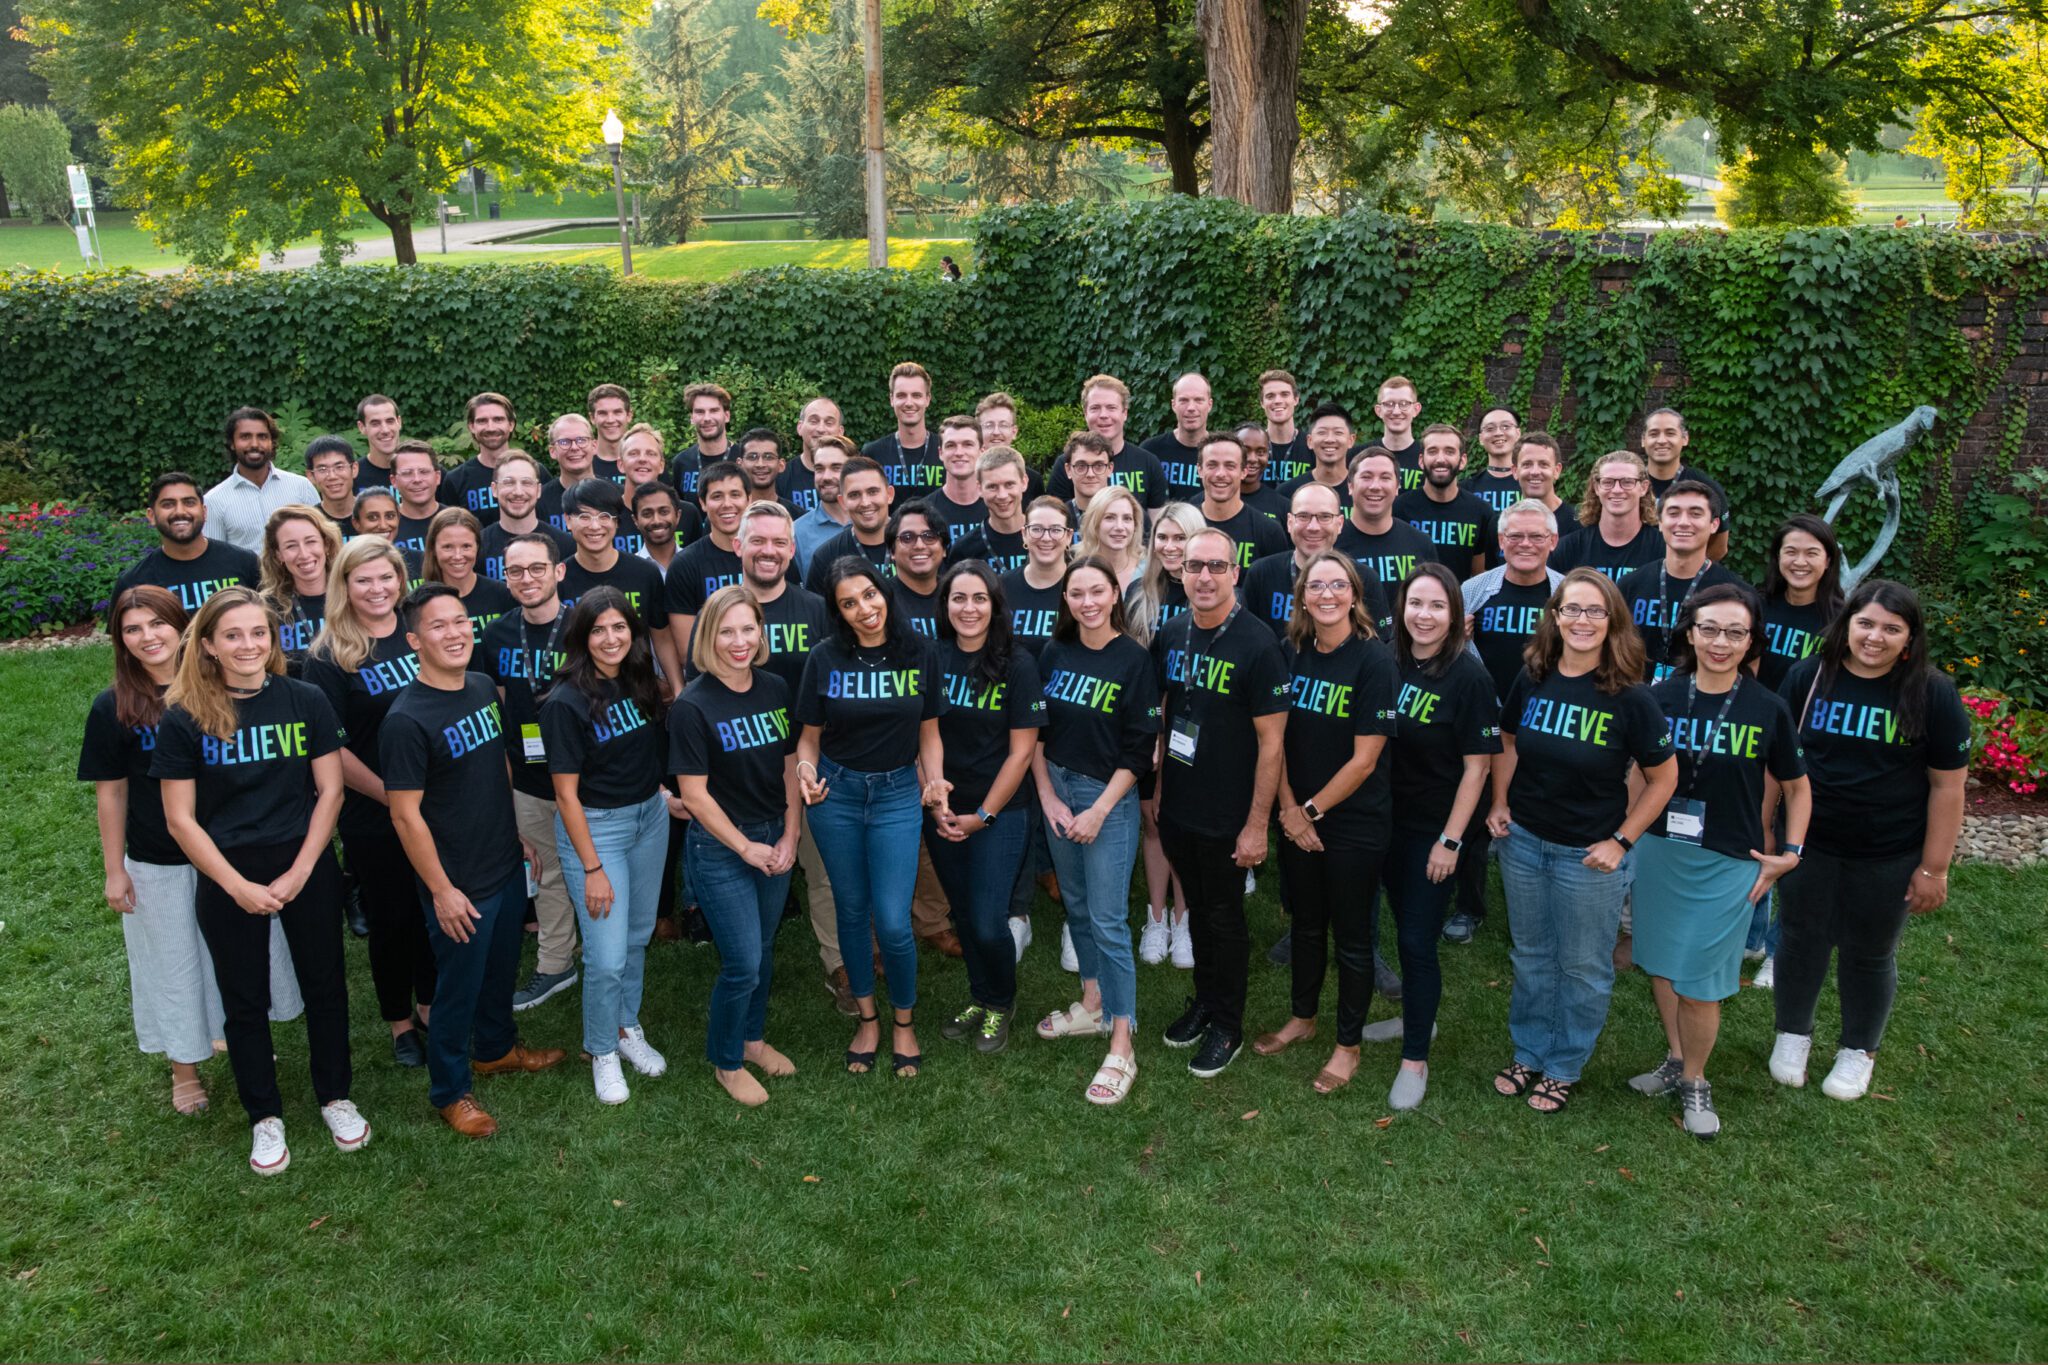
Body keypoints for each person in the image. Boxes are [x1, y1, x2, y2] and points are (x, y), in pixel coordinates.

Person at [152, 586, 362, 1175]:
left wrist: (301, 869)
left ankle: (335, 1096)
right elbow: (179, 820)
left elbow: (331, 792)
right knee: (243, 1001)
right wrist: (236, 886)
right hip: (227, 873)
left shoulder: (305, 698)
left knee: (326, 985)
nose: (248, 644)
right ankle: (263, 1116)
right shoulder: (185, 715)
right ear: (211, 646)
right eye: (234, 635)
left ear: (273, 640)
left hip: (307, 863)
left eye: (258, 633)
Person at [81, 586, 304, 1117]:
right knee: (175, 964)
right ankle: (185, 1067)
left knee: (235, 957)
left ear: (184, 629)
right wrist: (115, 870)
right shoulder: (114, 706)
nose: (146, 637)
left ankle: (239, 1037)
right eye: (131, 629)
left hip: (233, 853)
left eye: (156, 624)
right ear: (119, 640)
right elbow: (111, 791)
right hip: (161, 859)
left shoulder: (228, 688)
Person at [1769, 579, 1969, 1102]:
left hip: (1888, 850)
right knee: (1800, 937)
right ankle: (1793, 1034)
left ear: (1909, 638)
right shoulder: (1808, 677)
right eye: (1865, 623)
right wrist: (1767, 828)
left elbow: (1948, 786)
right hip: (1807, 843)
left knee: (1870, 951)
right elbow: (1777, 761)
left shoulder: (1932, 693)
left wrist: (1934, 868)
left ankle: (1859, 1050)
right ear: (1846, 624)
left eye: (1891, 628)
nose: (1874, 637)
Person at [1487, 568, 1677, 1115]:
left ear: (1613, 620)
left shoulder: (1632, 697)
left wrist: (1622, 840)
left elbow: (1663, 778)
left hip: (1588, 856)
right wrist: (1500, 803)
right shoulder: (1534, 675)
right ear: (1555, 616)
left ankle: (1564, 1064)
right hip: (1523, 841)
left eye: (1595, 611)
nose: (1582, 621)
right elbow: (1508, 738)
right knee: (1532, 955)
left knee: (1583, 966)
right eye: (1571, 609)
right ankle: (1528, 1051)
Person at [1627, 585, 1810, 1139]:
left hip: (1729, 859)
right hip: (1659, 852)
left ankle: (1697, 1080)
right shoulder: (1657, 697)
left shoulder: (1767, 707)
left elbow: (1799, 789)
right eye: (1709, 628)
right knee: (1661, 962)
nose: (1720, 642)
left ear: (1753, 641)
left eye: (1735, 632)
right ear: (1690, 632)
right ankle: (1677, 1058)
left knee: (1701, 980)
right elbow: (1638, 772)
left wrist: (1791, 854)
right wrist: (1627, 833)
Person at [382, 583, 564, 1138]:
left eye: (460, 621)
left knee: (498, 970)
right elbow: (405, 817)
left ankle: (497, 1050)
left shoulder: (483, 686)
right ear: (414, 640)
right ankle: (451, 1091)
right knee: (455, 992)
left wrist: (516, 834)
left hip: (504, 862)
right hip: (458, 880)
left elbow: (496, 768)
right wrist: (440, 890)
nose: (455, 633)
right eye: (438, 626)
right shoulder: (406, 720)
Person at [795, 558, 949, 1077]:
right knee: (852, 913)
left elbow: (929, 732)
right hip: (835, 795)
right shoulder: (824, 658)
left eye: (870, 594)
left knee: (893, 921)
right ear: (837, 612)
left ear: (884, 592)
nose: (865, 609)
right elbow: (809, 739)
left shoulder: (919, 652)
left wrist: (935, 781)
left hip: (896, 795)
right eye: (849, 603)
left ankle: (904, 1022)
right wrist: (805, 772)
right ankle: (867, 1017)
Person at [1255, 552, 1399, 1095]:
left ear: (1355, 595)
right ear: (1302, 596)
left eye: (1338, 585)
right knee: (1308, 924)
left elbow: (1365, 760)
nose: (1327, 594)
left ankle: (1348, 1044)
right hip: (1298, 818)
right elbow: (1278, 739)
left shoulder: (1374, 660)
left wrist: (1309, 812)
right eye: (1316, 586)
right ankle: (1302, 1016)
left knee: (1354, 938)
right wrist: (1289, 809)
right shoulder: (1291, 653)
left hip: (1354, 822)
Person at [1153, 527, 1291, 1079]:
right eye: (1193, 566)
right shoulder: (1173, 632)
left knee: (1225, 917)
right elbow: (1168, 717)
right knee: (1201, 918)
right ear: (1180, 573)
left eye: (1216, 566)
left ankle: (1228, 1024)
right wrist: (1161, 791)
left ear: (1235, 573)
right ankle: (1205, 1001)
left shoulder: (1259, 644)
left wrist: (1258, 824)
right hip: (1182, 803)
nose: (1204, 577)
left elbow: (1273, 743)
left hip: (1231, 812)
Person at [304, 536, 438, 1064]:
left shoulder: (418, 632)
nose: (377, 588)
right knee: (392, 917)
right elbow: (329, 748)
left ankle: (429, 1003)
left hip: (433, 800)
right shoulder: (328, 654)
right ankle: (400, 1022)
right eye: (363, 579)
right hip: (374, 807)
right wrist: (393, 797)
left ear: (400, 580)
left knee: (433, 904)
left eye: (386, 577)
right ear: (344, 585)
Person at [668, 585, 803, 1107]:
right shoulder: (693, 705)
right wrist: (746, 847)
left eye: (749, 628)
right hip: (723, 847)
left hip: (775, 834)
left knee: (764, 949)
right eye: (727, 631)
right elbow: (694, 797)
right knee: (743, 961)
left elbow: (790, 765)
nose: (739, 641)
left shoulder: (773, 688)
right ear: (708, 636)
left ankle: (752, 1040)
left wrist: (790, 833)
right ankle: (726, 1062)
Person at [1033, 556, 1160, 1104]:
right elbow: (1035, 732)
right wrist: (1048, 798)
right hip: (1057, 792)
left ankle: (1123, 1041)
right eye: (1075, 593)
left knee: (1108, 920)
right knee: (1078, 907)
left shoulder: (1133, 660)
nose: (1086, 602)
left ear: (1115, 596)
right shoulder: (1053, 652)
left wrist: (1099, 810)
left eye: (1096, 592)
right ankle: (1091, 1003)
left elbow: (1140, 751)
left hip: (1105, 798)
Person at [1373, 564, 1499, 1108]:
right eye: (1415, 604)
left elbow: (1478, 769)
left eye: (1437, 606)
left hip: (1435, 829)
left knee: (1417, 940)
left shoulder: (1470, 678)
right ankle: (1414, 1017)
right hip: (1383, 819)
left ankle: (1415, 1058)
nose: (1424, 616)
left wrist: (1450, 842)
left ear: (1457, 617)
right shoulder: (1386, 659)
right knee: (1404, 925)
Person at [543, 588, 673, 1104]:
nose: (611, 638)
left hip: (650, 819)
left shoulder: (640, 683)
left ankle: (626, 1028)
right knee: (606, 955)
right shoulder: (565, 701)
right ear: (582, 637)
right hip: (597, 832)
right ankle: (600, 1050)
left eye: (620, 627)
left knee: (637, 936)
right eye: (599, 629)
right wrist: (592, 867)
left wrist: (660, 794)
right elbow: (565, 795)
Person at [927, 562, 1044, 1054]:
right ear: (946, 605)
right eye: (958, 598)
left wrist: (985, 816)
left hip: (1001, 812)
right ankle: (981, 994)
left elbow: (1022, 752)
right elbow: (926, 732)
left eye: (979, 598)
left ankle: (1001, 1002)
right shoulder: (933, 657)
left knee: (988, 918)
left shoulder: (1019, 664)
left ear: (995, 605)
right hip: (946, 810)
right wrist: (936, 796)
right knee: (964, 913)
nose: (968, 608)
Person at [478, 532, 581, 1012]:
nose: (526, 579)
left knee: (598, 868)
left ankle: (608, 958)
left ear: (558, 571)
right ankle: (556, 963)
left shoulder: (588, 624)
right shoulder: (497, 634)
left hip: (588, 778)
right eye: (515, 571)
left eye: (537, 568)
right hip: (529, 775)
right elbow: (500, 702)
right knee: (548, 871)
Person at [1452, 500, 1563, 944]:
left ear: (1553, 542)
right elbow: (1439, 648)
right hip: (1482, 715)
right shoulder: (1474, 589)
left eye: (1537, 536)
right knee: (1477, 811)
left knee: (1542, 810)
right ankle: (1468, 906)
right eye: (1515, 536)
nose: (1525, 544)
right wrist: (1453, 639)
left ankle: (1549, 902)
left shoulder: (1567, 593)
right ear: (1500, 541)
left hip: (1541, 721)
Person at [1121, 502, 1204, 966]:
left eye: (1180, 538)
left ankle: (1184, 918)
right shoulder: (1140, 592)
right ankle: (1156, 916)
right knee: (1153, 818)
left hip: (1196, 725)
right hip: (1150, 721)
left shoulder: (1209, 588)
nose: (1171, 548)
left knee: (1185, 820)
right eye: (1164, 539)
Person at [1617, 480, 1750, 682]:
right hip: (1635, 702)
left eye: (1696, 514)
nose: (1683, 522)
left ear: (1714, 524)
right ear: (1660, 522)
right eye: (1674, 513)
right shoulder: (1629, 585)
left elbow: (1747, 666)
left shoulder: (1737, 596)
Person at [558, 479, 681, 689]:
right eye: (584, 516)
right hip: (581, 692)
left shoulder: (644, 572)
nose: (595, 526)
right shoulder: (559, 578)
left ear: (616, 522)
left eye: (604, 516)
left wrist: (677, 688)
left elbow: (661, 637)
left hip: (640, 690)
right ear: (568, 520)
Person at [112, 472, 261, 618]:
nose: (180, 511)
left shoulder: (246, 563)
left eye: (189, 502)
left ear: (204, 512)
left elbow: (272, 622)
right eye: (168, 504)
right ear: (151, 516)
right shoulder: (133, 582)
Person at [1336, 447, 1439, 628]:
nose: (1375, 486)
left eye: (1385, 478)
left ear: (1397, 486)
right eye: (1366, 477)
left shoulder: (1421, 543)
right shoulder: (1332, 544)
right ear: (1350, 486)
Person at [1045, 374, 1168, 515]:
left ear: (1125, 413)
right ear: (1085, 413)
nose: (1103, 415)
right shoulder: (1067, 464)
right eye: (1095, 408)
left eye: (1111, 407)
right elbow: (1054, 521)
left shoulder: (1148, 463)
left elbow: (1156, 527)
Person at [665, 460, 756, 650]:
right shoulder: (685, 565)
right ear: (703, 503)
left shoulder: (768, 557)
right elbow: (686, 651)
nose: (727, 504)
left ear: (749, 500)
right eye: (717, 496)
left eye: (735, 495)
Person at [203, 407, 321, 552]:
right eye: (245, 437)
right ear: (232, 443)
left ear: (272, 442)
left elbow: (322, 538)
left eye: (262, 436)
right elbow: (216, 556)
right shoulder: (214, 501)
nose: (254, 444)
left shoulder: (301, 487)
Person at [1394, 424, 1494, 581]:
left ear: (1462, 461)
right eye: (1432, 451)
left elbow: (1479, 577)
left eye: (1449, 451)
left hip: (1462, 603)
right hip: (1412, 603)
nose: (1440, 459)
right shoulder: (1399, 508)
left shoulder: (1481, 511)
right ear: (1421, 461)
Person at [1550, 451, 1664, 582]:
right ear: (1597, 487)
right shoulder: (1569, 549)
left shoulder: (1662, 549)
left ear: (1643, 488)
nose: (1616, 490)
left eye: (1627, 482)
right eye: (1608, 482)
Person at [1759, 514, 1844, 691]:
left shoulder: (1842, 621)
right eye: (1791, 552)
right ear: (1778, 556)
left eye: (1811, 553)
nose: (1799, 562)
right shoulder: (1755, 607)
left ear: (1828, 560)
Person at [1641, 408, 1732, 560]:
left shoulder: (1707, 488)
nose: (1662, 440)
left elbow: (1720, 547)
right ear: (1643, 440)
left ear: (1685, 439)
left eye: (1670, 433)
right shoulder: (1627, 485)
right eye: (1654, 433)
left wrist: (1686, 571)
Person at [258, 505, 341, 662]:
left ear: (326, 544)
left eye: (310, 541)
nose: (304, 554)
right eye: (291, 546)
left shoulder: (353, 595)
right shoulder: (265, 608)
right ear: (278, 555)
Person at [420, 507, 516, 640]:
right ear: (433, 549)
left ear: (477, 547)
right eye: (448, 547)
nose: (458, 556)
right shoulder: (421, 604)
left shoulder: (503, 594)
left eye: (466, 546)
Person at [803, 456, 895, 592]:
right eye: (854, 495)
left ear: (889, 495)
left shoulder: (916, 545)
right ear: (842, 502)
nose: (865, 502)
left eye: (872, 492)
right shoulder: (826, 558)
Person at [478, 452, 574, 581]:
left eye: (526, 483)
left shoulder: (566, 545)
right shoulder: (478, 546)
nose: (518, 492)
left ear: (538, 490)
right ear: (494, 489)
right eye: (509, 482)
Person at [1196, 435, 1289, 567]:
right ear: (1199, 470)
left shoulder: (1269, 531)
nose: (1220, 474)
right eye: (1212, 465)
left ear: (1244, 471)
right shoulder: (1183, 525)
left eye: (1230, 466)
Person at [1008, 497, 1078, 660]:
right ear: (1024, 534)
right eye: (1037, 529)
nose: (1046, 538)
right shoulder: (1001, 586)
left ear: (1069, 536)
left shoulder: (1082, 589)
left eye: (1055, 529)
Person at [947, 445, 1031, 573]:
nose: (1002, 495)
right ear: (979, 488)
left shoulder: (1044, 539)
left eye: (1009, 484)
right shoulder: (964, 549)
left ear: (1024, 482)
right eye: (992, 487)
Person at [437, 392, 515, 526]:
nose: (491, 428)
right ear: (471, 426)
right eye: (482, 421)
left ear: (511, 424)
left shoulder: (534, 472)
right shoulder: (455, 480)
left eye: (498, 419)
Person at [864, 361, 942, 491]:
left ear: (927, 399)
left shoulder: (947, 451)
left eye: (916, 395)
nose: (909, 403)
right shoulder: (873, 454)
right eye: (901, 396)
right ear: (891, 399)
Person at [1143, 371, 1214, 502]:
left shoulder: (1220, 453)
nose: (1191, 407)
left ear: (1209, 405)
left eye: (1198, 400)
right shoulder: (1151, 450)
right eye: (1183, 400)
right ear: (1173, 405)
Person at [792, 434, 854, 576]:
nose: (826, 477)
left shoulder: (875, 525)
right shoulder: (797, 532)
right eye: (819, 469)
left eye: (836, 468)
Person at [1279, 402, 1357, 512]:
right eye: (1322, 432)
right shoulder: (1287, 492)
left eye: (1338, 432)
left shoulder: (1363, 491)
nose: (1330, 439)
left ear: (1351, 440)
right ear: (1309, 441)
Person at [887, 500, 946, 640]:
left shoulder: (958, 596)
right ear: (892, 551)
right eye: (907, 538)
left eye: (929, 536)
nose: (919, 545)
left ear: (944, 549)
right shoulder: (881, 600)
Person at [929, 416, 988, 547]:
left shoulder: (998, 505)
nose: (959, 452)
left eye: (968, 444)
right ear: (940, 453)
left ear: (982, 451)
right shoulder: (925, 512)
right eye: (950, 445)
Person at [669, 382, 735, 500]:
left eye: (714, 411)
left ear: (726, 416)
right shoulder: (681, 462)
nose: (707, 418)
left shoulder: (744, 458)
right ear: (692, 418)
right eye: (700, 412)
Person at [783, 396, 845, 517]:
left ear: (840, 431)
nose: (821, 429)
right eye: (814, 421)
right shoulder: (782, 477)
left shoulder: (853, 475)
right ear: (799, 427)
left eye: (829, 422)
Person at [1078, 486, 1146, 593]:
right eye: (1109, 517)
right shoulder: (1077, 570)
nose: (1119, 527)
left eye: (1127, 518)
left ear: (1135, 525)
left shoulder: (1148, 572)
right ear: (1094, 523)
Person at [540, 414, 605, 525]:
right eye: (564, 442)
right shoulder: (539, 502)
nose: (574, 447)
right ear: (552, 451)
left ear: (594, 446)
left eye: (582, 440)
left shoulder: (616, 496)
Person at [389, 443, 444, 559]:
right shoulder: (386, 528)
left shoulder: (458, 522)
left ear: (437, 477)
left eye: (424, 472)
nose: (417, 479)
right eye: (407, 473)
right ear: (394, 481)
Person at [1465, 409, 1524, 513]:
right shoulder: (1467, 488)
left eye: (1506, 426)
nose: (1498, 433)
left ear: (1518, 433)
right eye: (1490, 428)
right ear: (1480, 438)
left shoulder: (1531, 484)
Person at [1259, 369, 1311, 486]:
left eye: (1284, 394)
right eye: (1270, 396)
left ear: (1296, 400)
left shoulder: (1312, 446)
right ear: (1262, 403)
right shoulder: (1250, 448)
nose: (1277, 401)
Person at [1371, 376, 1425, 485]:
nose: (1396, 411)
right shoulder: (1359, 457)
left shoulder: (1428, 458)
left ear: (1416, 409)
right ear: (1378, 410)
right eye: (1389, 404)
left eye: (1404, 404)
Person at [1235, 422, 1288, 521]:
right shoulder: (1209, 501)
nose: (1253, 459)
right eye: (1245, 451)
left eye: (1260, 452)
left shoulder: (1283, 506)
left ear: (1268, 455)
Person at [304, 436, 360, 530]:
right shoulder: (309, 523)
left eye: (339, 467)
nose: (332, 476)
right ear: (311, 476)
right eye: (322, 469)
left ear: (354, 469)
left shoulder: (374, 514)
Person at [355, 394, 403, 491]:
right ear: (362, 427)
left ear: (399, 422)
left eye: (390, 421)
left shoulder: (426, 472)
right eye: (375, 423)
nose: (385, 430)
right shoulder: (353, 477)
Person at [735, 427, 793, 507]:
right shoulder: (731, 514)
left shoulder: (798, 517)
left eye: (769, 457)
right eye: (752, 457)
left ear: (781, 465)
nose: (760, 464)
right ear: (739, 464)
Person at [1513, 433, 1566, 515]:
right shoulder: (1503, 524)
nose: (1535, 472)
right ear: (1515, 471)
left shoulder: (1579, 524)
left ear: (1557, 471)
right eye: (1527, 464)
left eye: (1543, 464)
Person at [588, 383, 636, 470]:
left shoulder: (647, 463)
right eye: (603, 413)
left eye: (617, 412)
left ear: (629, 415)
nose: (610, 420)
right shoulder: (582, 465)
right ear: (592, 418)